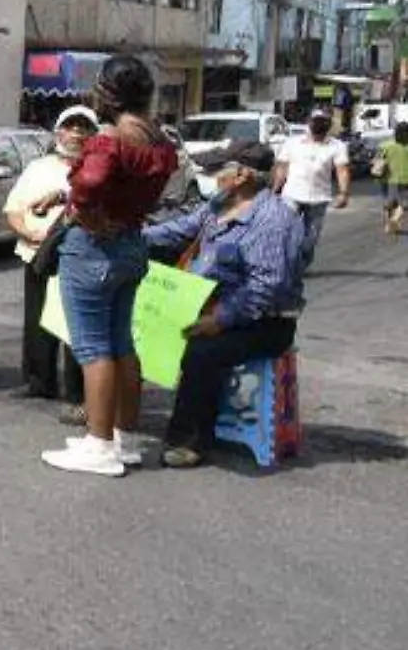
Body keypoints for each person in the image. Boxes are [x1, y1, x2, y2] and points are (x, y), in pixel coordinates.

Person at [37, 57, 181, 476]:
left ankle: (98, 445)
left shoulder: (110, 138)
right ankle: (123, 436)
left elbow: (93, 182)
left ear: (108, 92)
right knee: (121, 344)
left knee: (92, 348)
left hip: (93, 248)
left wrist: (83, 209)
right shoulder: (158, 140)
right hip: (132, 243)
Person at [137, 144, 306, 468]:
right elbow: (179, 231)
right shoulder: (219, 206)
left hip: (263, 321)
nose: (211, 178)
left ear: (241, 176)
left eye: (218, 171)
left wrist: (222, 318)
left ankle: (191, 440)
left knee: (202, 350)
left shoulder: (273, 220)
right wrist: (133, 235)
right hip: (210, 302)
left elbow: (265, 287)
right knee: (139, 320)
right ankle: (115, 412)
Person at [5, 107, 95, 416]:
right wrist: (26, 232)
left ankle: (78, 390)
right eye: (70, 126)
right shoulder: (38, 167)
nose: (76, 133)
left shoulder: (95, 169)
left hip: (77, 257)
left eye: (84, 127)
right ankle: (38, 380)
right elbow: (13, 208)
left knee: (74, 325)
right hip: (37, 252)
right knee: (37, 317)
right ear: (58, 132)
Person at [273, 107, 350, 270]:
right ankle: (286, 263)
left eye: (323, 122)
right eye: (316, 122)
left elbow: (342, 170)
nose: (319, 125)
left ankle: (302, 264)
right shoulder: (292, 143)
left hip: (319, 197)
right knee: (286, 230)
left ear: (328, 125)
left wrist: (344, 193)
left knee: (311, 237)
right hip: (292, 194)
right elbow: (282, 168)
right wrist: (275, 188)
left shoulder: (337, 146)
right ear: (309, 123)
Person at [376, 121, 408, 235]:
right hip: (404, 179)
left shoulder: (385, 145)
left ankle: (389, 226)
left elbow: (378, 161)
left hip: (386, 179)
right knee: (402, 205)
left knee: (390, 203)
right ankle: (394, 221)